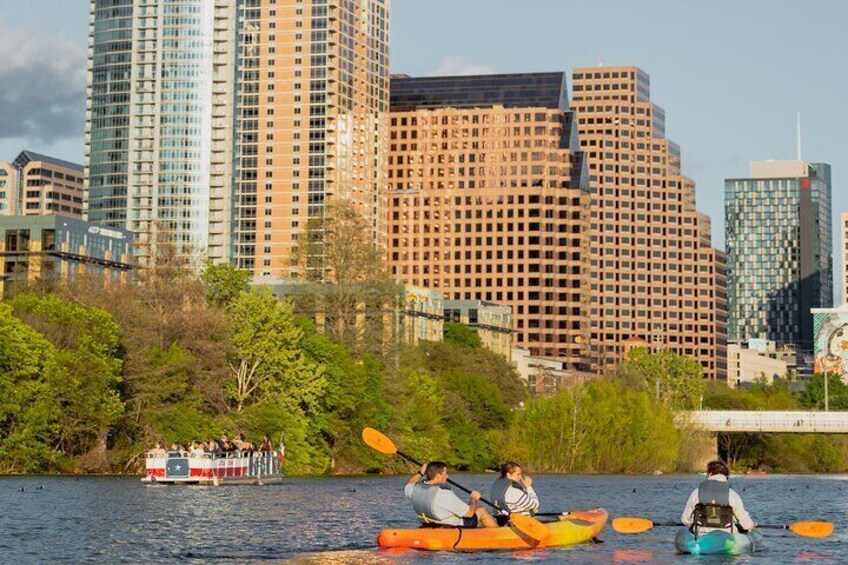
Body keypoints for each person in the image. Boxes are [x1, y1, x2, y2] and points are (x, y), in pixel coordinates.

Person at [404, 461, 497, 528]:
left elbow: (408, 484)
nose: (447, 476)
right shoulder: (443, 492)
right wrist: (473, 499)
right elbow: (469, 514)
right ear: (438, 476)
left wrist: (421, 472)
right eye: (445, 473)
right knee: (482, 510)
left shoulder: (416, 487)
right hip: (448, 524)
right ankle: (498, 534)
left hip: (429, 522)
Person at [681, 460, 756, 535]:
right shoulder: (733, 495)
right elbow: (746, 525)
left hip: (701, 534)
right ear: (726, 477)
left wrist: (695, 521)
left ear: (710, 474)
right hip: (727, 534)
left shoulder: (696, 493)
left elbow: (685, 520)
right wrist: (752, 525)